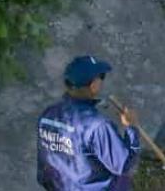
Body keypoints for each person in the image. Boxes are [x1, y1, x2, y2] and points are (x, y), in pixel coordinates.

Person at [37, 55, 140, 190]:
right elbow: (124, 165)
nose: (102, 81)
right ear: (93, 85)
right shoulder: (97, 126)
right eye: (101, 77)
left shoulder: (47, 115)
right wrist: (131, 128)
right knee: (122, 180)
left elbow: (44, 169)